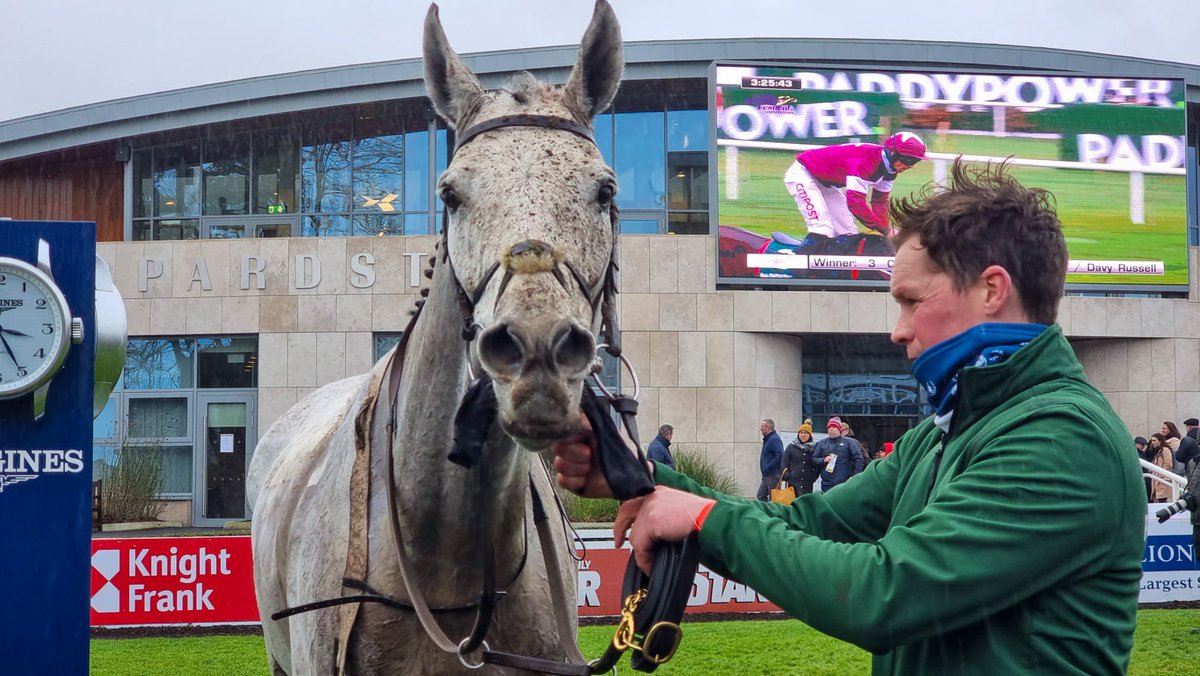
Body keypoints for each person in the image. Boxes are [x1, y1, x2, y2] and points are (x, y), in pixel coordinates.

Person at [553, 160, 1144, 674]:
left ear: (992, 289)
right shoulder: (938, 438)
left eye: (912, 300)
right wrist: (644, 479)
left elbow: (885, 594)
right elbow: (808, 523)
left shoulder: (1063, 437)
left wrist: (704, 519)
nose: (898, 330)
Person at [783, 132, 926, 253]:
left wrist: (885, 231)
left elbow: (879, 202)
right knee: (822, 229)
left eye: (915, 161)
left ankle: (830, 270)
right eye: (908, 159)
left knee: (847, 233)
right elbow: (855, 203)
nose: (909, 166)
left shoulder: (891, 170)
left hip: (826, 183)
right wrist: (885, 230)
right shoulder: (866, 161)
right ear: (892, 153)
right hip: (803, 174)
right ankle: (796, 267)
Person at [811, 417, 864, 491]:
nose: (831, 429)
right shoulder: (821, 443)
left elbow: (859, 459)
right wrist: (823, 460)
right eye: (829, 427)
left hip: (845, 483)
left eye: (834, 427)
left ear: (839, 429)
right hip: (827, 484)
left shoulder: (850, 442)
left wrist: (854, 476)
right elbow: (813, 460)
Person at [781, 420, 818, 496]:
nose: (803, 435)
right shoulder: (791, 447)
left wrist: (813, 477)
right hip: (792, 484)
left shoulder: (814, 449)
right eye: (801, 433)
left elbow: (817, 464)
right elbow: (784, 463)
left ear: (810, 435)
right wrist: (788, 476)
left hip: (807, 484)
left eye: (806, 433)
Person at [755, 419, 784, 502]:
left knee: (774, 498)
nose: (760, 428)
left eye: (762, 426)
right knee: (761, 495)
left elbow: (780, 454)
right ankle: (768, 509)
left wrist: (768, 467)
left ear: (768, 428)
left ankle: (774, 510)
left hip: (773, 475)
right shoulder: (768, 439)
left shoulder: (774, 439)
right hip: (767, 475)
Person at [1148, 434, 1175, 502]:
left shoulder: (1165, 450)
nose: (1152, 442)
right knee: (1160, 500)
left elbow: (1168, 464)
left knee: (1162, 499)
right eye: (1152, 441)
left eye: (1154, 440)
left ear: (1160, 441)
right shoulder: (1158, 451)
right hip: (1158, 479)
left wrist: (1161, 475)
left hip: (1162, 480)